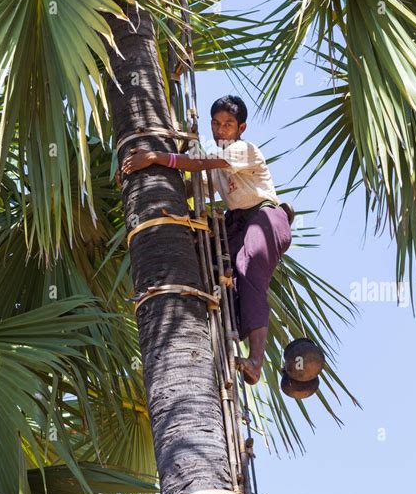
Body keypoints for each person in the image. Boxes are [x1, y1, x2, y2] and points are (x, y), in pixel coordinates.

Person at [120, 95, 293, 385]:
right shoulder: (218, 167)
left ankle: (256, 361)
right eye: (216, 123)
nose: (220, 130)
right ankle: (225, 343)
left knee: (249, 273)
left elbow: (197, 164)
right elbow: (191, 186)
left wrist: (155, 157)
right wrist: (143, 181)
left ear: (241, 128)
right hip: (239, 224)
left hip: (265, 219)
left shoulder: (244, 150)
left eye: (228, 124)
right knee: (224, 278)